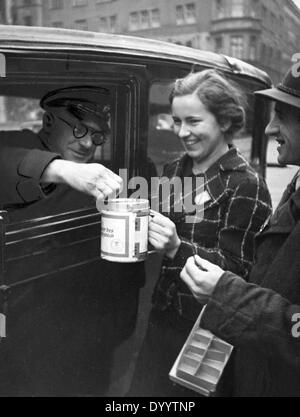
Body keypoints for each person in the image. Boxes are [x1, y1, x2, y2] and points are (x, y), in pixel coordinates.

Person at [128, 69, 272, 397]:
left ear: (224, 122)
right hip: (161, 318)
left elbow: (238, 273)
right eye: (176, 122)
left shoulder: (246, 184)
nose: (182, 132)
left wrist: (177, 247)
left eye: (193, 121)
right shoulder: (174, 170)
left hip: (207, 333)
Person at [0, 86, 144, 397]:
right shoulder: (20, 144)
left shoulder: (108, 174)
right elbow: (5, 160)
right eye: (78, 128)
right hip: (23, 341)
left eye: (96, 135)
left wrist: (116, 334)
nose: (87, 143)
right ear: (48, 121)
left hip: (88, 340)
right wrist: (61, 169)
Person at [180, 65, 300, 397]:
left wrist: (226, 294)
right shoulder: (296, 182)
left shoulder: (247, 183)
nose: (269, 128)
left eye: (284, 115)